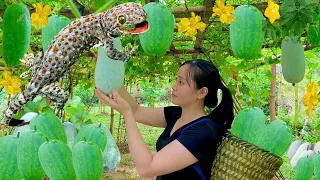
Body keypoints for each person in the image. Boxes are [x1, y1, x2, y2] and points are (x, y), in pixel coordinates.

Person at [95, 59, 234, 179]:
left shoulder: (203, 132)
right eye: (176, 80)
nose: (174, 86)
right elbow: (136, 111)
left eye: (181, 82)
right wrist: (110, 72)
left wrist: (127, 115)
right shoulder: (176, 114)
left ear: (202, 92)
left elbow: (147, 168)